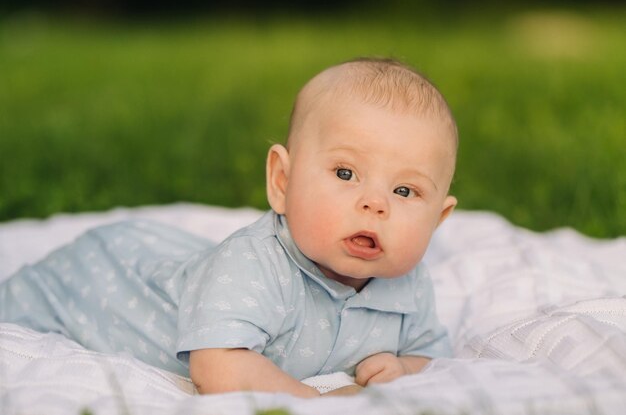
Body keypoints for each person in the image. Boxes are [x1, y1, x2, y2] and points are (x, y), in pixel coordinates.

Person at [0, 57, 458, 398]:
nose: (374, 204)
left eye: (405, 192)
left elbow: (430, 353)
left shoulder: (408, 286)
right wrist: (316, 403)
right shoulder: (256, 266)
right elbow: (219, 367)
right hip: (103, 277)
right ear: (282, 182)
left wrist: (402, 368)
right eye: (344, 174)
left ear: (437, 220)